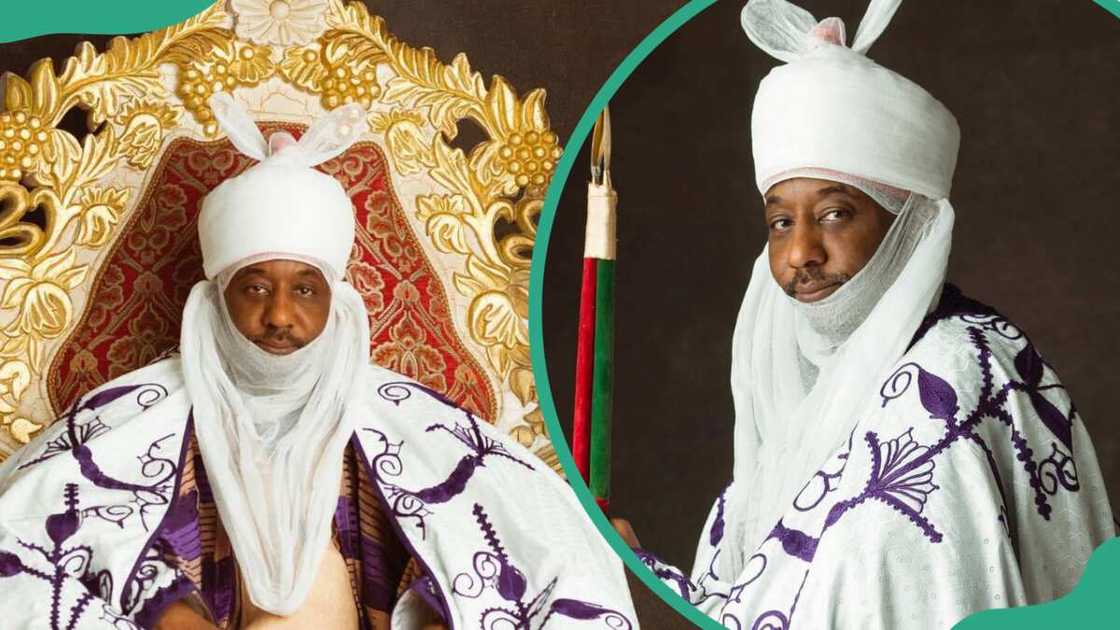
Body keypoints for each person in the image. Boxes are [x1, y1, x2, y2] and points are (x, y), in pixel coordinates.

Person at [0, 93, 637, 630]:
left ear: (337, 300)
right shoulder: (132, 419)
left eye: (304, 290)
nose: (279, 315)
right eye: (255, 287)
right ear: (215, 297)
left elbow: (524, 551)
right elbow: (24, 548)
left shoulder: (410, 420)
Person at [626, 1, 1117, 627]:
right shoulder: (813, 397)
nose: (800, 254)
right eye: (780, 222)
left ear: (907, 224)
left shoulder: (950, 380)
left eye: (835, 215)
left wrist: (638, 582)